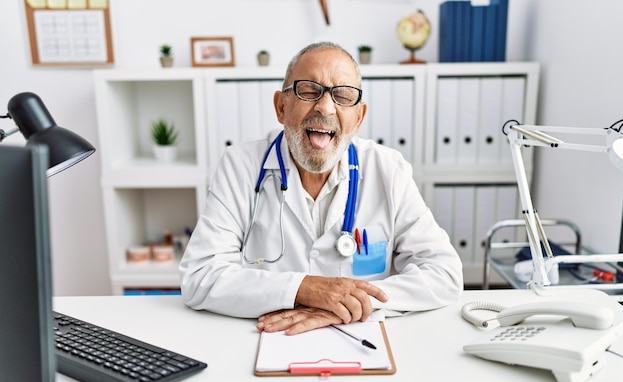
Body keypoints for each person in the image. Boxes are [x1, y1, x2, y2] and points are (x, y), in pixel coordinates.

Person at [179, 41, 463, 335]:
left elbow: (444, 274)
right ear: (281, 106)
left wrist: (344, 306)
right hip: (268, 337)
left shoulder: (388, 169)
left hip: (361, 337)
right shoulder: (240, 166)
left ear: (359, 117)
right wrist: (303, 289)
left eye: (343, 96)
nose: (325, 107)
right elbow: (200, 276)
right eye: (309, 90)